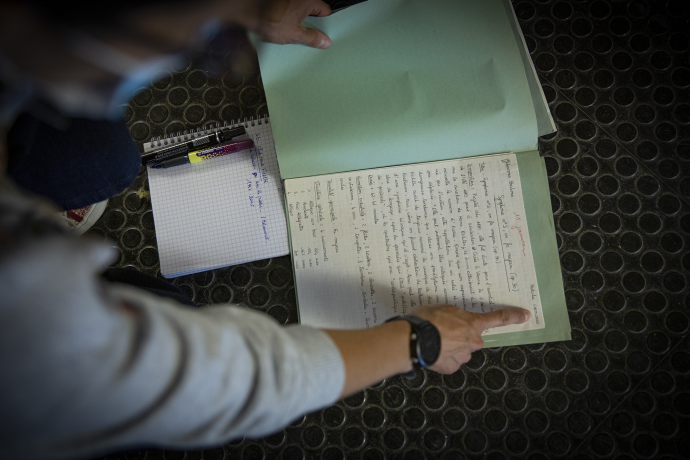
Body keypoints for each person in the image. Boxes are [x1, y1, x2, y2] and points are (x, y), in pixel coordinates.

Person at [0, 1, 532, 459]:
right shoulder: (30, 331)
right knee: (168, 309)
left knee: (101, 162)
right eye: (207, 41)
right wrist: (417, 339)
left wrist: (250, 9)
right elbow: (229, 384)